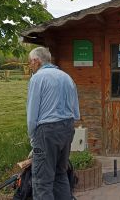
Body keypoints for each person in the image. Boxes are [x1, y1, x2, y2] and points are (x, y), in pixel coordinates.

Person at [27, 47, 80, 200]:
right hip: (68, 128)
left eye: (30, 62)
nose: (30, 65)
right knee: (60, 174)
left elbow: (32, 114)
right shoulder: (67, 77)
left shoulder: (37, 78)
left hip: (46, 132)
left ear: (37, 61)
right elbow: (75, 110)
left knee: (42, 181)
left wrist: (33, 138)